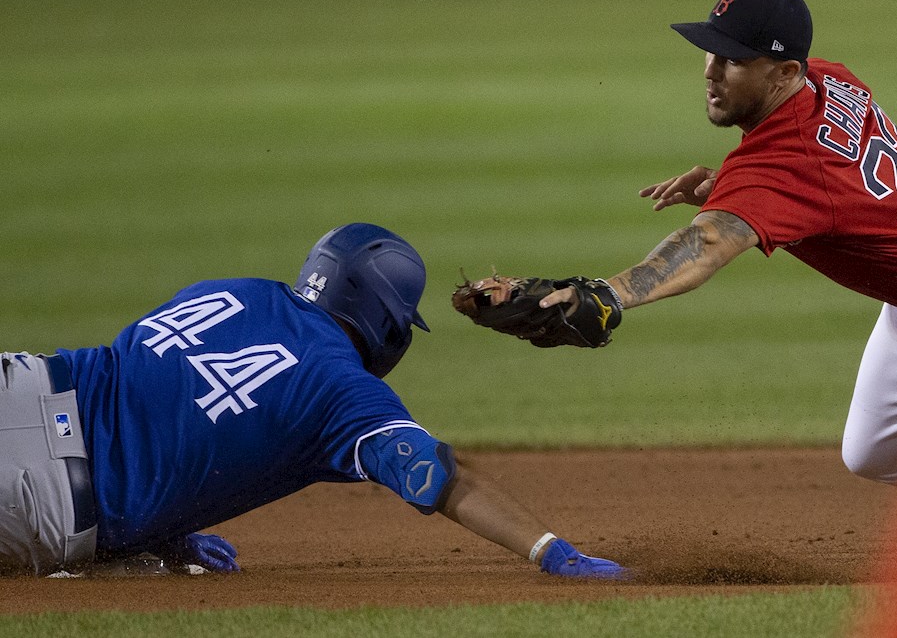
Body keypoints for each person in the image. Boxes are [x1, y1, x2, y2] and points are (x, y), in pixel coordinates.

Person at [540, 0, 897, 497]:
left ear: (786, 72)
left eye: (734, 60)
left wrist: (609, 294)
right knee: (877, 451)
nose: (712, 71)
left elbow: (709, 243)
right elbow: (832, 187)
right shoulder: (829, 79)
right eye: (711, 51)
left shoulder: (785, 163)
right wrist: (734, 189)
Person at [0, 223, 629, 579]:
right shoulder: (341, 390)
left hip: (26, 380)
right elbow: (436, 473)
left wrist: (166, 530)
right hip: (44, 495)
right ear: (386, 321)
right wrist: (553, 552)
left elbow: (155, 391)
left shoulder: (230, 288)